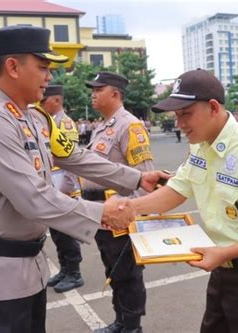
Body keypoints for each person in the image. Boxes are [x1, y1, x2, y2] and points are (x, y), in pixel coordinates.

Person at [0, 26, 167, 333]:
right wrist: (101, 213)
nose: (49, 77)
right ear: (13, 67)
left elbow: (74, 157)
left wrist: (137, 177)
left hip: (28, 268)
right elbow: (33, 198)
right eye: (43, 68)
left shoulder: (35, 118)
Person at [127, 69, 238, 333]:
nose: (179, 124)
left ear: (212, 107)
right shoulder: (201, 145)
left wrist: (224, 253)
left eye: (185, 114)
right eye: (176, 116)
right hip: (222, 269)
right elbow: (178, 188)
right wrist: (129, 208)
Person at [84, 72, 155, 333]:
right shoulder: (103, 126)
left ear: (115, 93)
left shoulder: (130, 126)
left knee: (128, 273)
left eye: (98, 89)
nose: (93, 93)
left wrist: (135, 219)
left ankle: (132, 326)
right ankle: (121, 321)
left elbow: (145, 175)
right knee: (113, 270)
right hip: (102, 213)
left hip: (121, 214)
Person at [36, 84, 85, 293]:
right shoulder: (49, 123)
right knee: (56, 233)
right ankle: (65, 269)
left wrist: (66, 191)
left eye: (43, 101)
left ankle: (74, 273)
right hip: (52, 187)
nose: (40, 105)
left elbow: (70, 161)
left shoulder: (63, 124)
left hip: (64, 187)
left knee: (67, 233)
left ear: (55, 100)